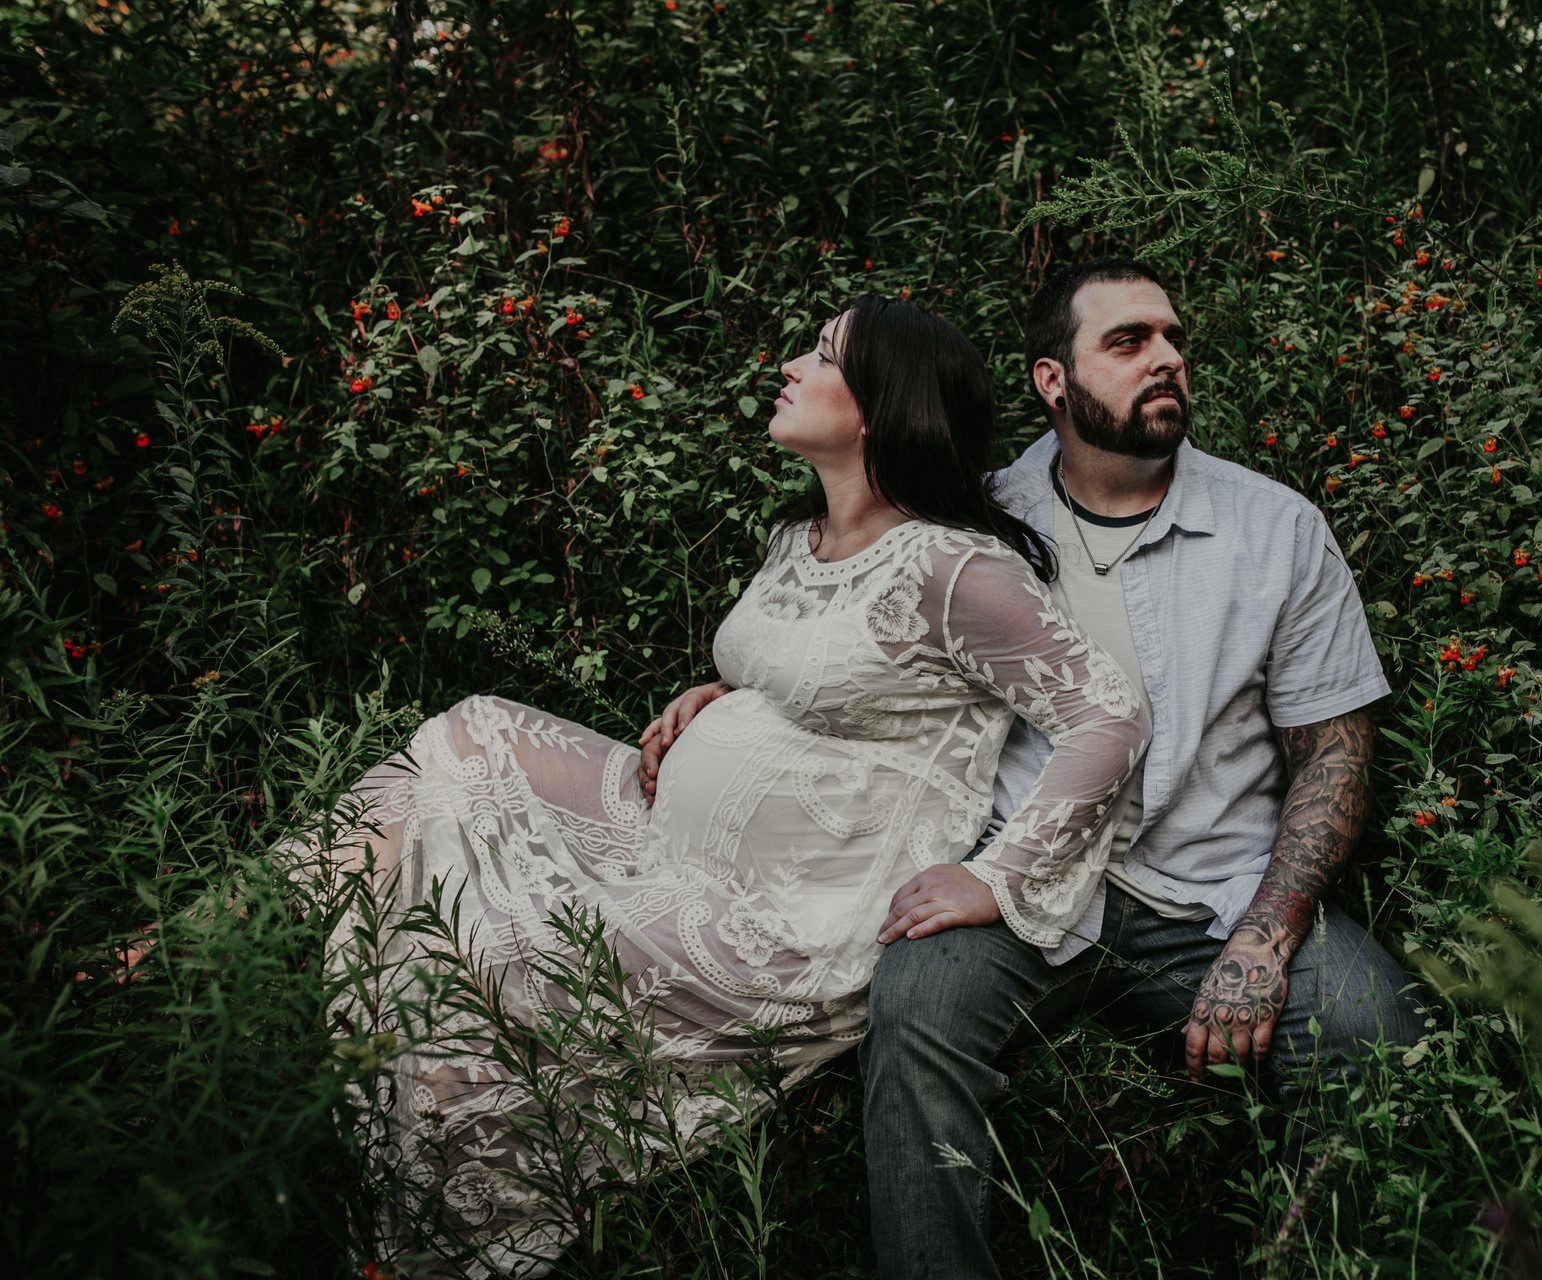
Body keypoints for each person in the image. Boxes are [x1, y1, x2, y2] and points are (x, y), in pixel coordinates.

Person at [312, 296, 1151, 1277]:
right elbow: (823, 674)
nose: (790, 363)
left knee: (477, 944)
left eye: (824, 354)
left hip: (783, 909)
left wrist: (998, 876)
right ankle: (240, 930)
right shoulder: (799, 536)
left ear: (886, 405)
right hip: (666, 821)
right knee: (469, 734)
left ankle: (431, 1235)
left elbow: (1109, 715)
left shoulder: (956, 569)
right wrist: (717, 689)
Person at [859, 259, 1425, 1278]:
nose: (1166, 358)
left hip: (1213, 887)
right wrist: (730, 698)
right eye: (1127, 343)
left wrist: (1266, 930)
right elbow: (860, 667)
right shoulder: (973, 520)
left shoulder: (1275, 529)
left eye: (1171, 337)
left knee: (1377, 1029)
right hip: (1024, 886)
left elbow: (1334, 751)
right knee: (911, 1012)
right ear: (1052, 381)